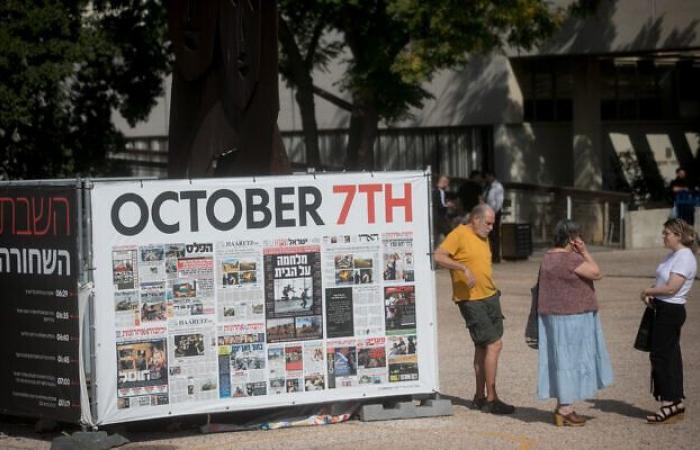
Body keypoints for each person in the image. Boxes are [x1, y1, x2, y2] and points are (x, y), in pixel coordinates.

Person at [434, 204, 514, 414]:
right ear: (475, 219)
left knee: (482, 347)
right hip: (471, 299)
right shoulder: (459, 234)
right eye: (488, 223)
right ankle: (492, 398)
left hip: (489, 296)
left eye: (492, 224)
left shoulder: (482, 236)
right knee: (494, 345)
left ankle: (479, 397)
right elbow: (439, 255)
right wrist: (462, 268)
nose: (490, 228)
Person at [536, 219, 613, 427]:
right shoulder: (570, 259)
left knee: (562, 362)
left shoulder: (547, 257)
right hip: (573, 316)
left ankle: (563, 405)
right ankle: (565, 409)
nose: (581, 239)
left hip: (553, 316)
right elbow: (597, 273)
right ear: (572, 239)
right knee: (571, 362)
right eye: (578, 236)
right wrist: (585, 252)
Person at [640, 218, 697, 424]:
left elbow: (672, 288)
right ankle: (674, 402)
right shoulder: (672, 255)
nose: (663, 236)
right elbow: (663, 282)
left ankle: (670, 403)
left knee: (663, 357)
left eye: (667, 233)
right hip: (662, 308)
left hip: (671, 310)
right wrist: (652, 294)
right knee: (667, 355)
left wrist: (647, 290)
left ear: (678, 236)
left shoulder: (684, 257)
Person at [482, 172, 504, 263]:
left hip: (494, 212)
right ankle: (490, 255)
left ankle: (496, 256)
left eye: (488, 177)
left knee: (494, 234)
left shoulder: (498, 187)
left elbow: (499, 201)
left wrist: (494, 212)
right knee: (489, 234)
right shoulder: (487, 187)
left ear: (492, 176)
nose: (487, 179)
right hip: (487, 212)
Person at [432, 175, 451, 246]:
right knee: (449, 233)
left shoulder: (433, 190)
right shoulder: (441, 191)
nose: (447, 185)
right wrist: (448, 205)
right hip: (439, 218)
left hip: (434, 217)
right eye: (446, 183)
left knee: (436, 236)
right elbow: (441, 205)